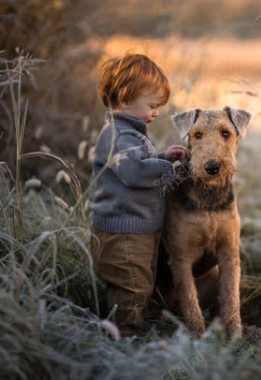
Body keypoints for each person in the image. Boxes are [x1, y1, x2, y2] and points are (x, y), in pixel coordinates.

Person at [89, 53, 186, 337]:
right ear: (125, 98)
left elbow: (136, 164)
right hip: (123, 234)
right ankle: (124, 338)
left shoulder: (130, 132)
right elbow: (134, 172)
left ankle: (131, 325)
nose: (156, 112)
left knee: (142, 281)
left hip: (137, 229)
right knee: (133, 286)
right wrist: (167, 165)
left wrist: (161, 156)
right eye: (152, 105)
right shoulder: (118, 134)